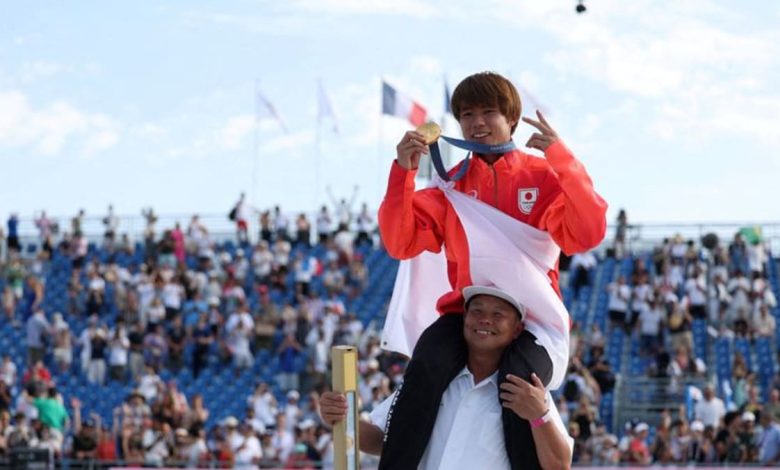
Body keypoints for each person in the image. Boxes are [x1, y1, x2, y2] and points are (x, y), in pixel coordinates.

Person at [377, 71, 606, 469]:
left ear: (511, 119)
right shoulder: (449, 188)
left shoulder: (544, 177)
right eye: (467, 114)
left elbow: (585, 235)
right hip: (468, 315)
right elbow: (400, 242)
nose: (477, 122)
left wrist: (563, 160)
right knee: (427, 363)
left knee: (517, 381)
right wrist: (403, 171)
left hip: (534, 320)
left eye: (488, 112)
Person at [320, 286, 573, 470]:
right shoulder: (431, 382)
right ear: (464, 319)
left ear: (518, 330)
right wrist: (340, 418)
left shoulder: (528, 393)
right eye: (476, 311)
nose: (485, 319)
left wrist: (540, 416)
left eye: (498, 314)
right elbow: (382, 439)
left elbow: (559, 465)